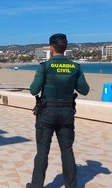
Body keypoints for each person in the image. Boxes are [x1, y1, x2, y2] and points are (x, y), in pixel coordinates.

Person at [27, 33, 90, 188]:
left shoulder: (45, 67)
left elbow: (33, 90)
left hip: (47, 113)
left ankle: (36, 186)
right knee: (67, 150)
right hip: (67, 114)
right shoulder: (75, 67)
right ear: (65, 47)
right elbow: (85, 90)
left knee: (42, 151)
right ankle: (71, 185)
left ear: (51, 47)